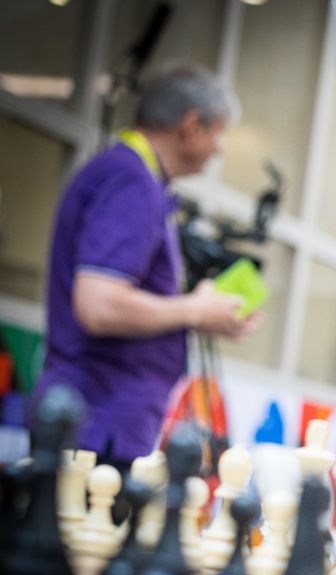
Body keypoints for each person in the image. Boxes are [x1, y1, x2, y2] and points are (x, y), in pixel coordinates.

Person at [33, 67, 257, 474]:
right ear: (191, 127)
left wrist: (202, 314)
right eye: (217, 134)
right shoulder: (131, 180)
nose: (219, 149)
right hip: (94, 425)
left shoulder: (131, 175)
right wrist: (192, 310)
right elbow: (99, 305)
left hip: (96, 420)